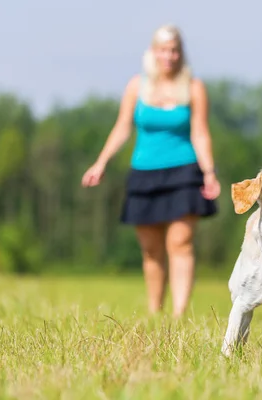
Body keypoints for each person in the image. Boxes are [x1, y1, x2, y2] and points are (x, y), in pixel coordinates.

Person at [81, 24, 220, 317]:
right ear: (153, 52)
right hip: (144, 173)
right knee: (151, 250)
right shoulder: (137, 86)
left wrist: (209, 172)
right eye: (163, 50)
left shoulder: (194, 87)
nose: (169, 56)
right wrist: (101, 162)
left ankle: (179, 314)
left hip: (185, 171)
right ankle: (155, 312)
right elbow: (122, 128)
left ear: (181, 53)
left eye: (174, 50)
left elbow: (200, 133)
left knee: (180, 242)